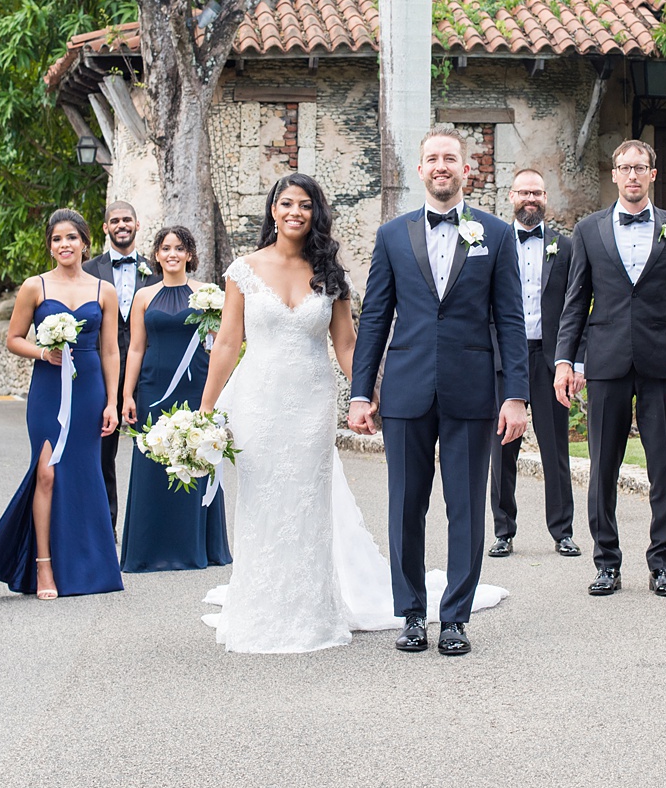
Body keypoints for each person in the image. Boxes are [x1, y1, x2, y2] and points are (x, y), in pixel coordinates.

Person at [199, 174, 500, 653]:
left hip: (312, 404)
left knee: (307, 502)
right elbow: (229, 343)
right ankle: (259, 605)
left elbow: (347, 344)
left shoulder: (330, 275)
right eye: (286, 204)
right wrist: (206, 408)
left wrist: (368, 393)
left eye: (305, 205)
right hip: (259, 400)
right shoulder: (243, 270)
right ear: (272, 210)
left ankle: (312, 609)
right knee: (262, 500)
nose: (295, 212)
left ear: (316, 213)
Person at [350, 129, 528, 657]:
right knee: (406, 506)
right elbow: (376, 317)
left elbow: (511, 320)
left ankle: (454, 617)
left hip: (472, 390)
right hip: (406, 389)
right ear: (421, 170)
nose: (442, 166)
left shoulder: (495, 235)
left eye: (451, 158)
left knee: (466, 506)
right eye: (432, 158)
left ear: (466, 169)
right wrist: (362, 392)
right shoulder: (392, 236)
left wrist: (515, 394)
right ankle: (409, 613)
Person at [554, 139, 666, 599]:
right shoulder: (589, 230)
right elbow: (576, 301)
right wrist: (566, 360)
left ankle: (662, 563)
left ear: (653, 174)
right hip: (605, 361)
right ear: (614, 175)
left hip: (661, 362)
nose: (632, 175)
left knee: (664, 468)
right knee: (603, 468)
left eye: (640, 167)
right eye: (624, 168)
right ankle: (606, 563)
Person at [0, 210, 123, 599]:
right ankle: (44, 567)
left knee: (85, 474)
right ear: (50, 245)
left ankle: (91, 565)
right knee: (47, 473)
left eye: (71, 237)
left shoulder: (104, 290)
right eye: (56, 239)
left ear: (85, 242)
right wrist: (42, 352)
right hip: (49, 389)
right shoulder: (34, 287)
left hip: (89, 391)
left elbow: (110, 351)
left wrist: (113, 402)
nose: (64, 245)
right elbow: (13, 338)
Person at [119, 226, 231, 572]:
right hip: (153, 386)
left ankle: (194, 547)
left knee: (196, 455)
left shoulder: (208, 293)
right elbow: (136, 347)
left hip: (194, 384)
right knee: (152, 463)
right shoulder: (143, 296)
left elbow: (220, 345)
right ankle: (148, 549)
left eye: (179, 248)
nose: (172, 254)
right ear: (156, 255)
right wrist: (127, 394)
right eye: (166, 248)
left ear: (189, 255)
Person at [488, 168, 580, 559]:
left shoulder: (567, 247)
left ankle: (562, 531)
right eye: (524, 192)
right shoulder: (492, 243)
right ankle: (503, 531)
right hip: (503, 358)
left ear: (546, 199)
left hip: (550, 357)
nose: (531, 198)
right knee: (501, 446)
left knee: (555, 446)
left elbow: (580, 306)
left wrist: (573, 360)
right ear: (511, 196)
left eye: (538, 193)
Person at [83, 199, 156, 527]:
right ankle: (104, 525)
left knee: (156, 451)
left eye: (127, 219)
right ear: (105, 228)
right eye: (115, 220)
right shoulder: (87, 272)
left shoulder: (156, 272)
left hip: (148, 373)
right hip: (101, 375)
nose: (121, 225)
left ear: (137, 225)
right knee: (101, 455)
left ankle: (149, 528)